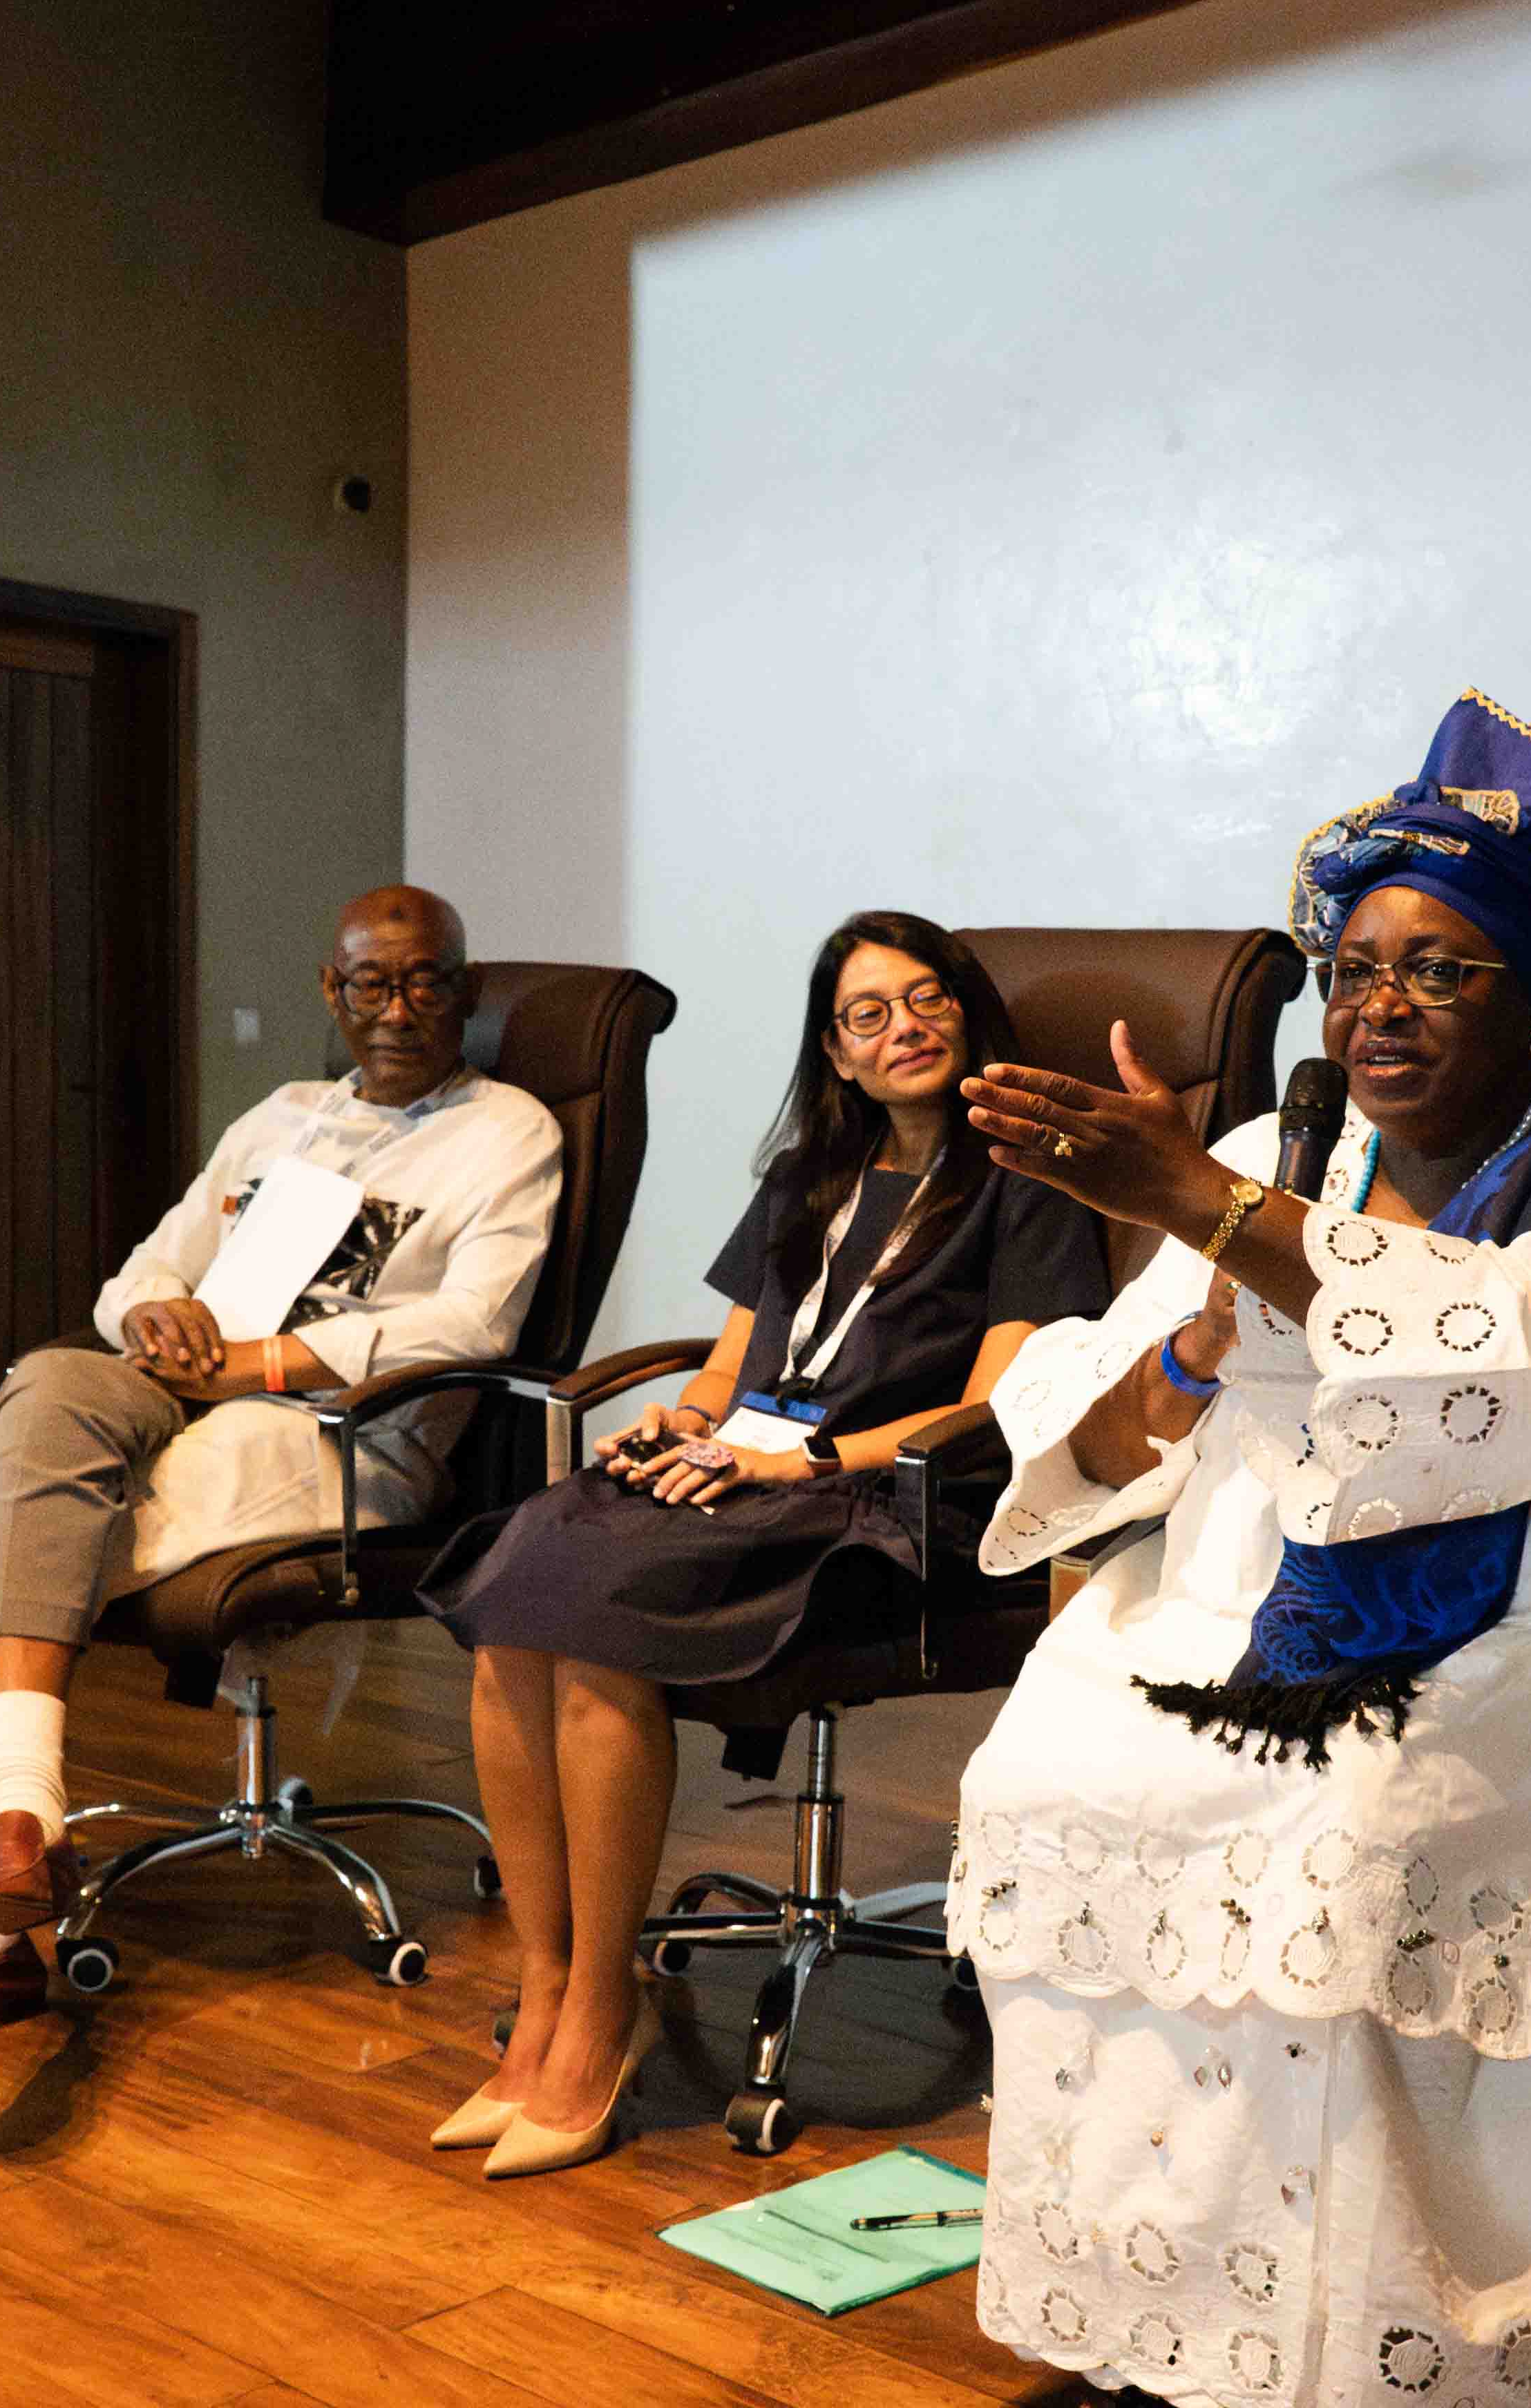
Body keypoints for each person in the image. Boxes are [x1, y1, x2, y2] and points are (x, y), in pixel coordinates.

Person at [944, 694, 1531, 2408]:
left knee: (1335, 1850)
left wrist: (1212, 1211)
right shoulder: (1276, 1147)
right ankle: (1167, 2319)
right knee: (1061, 1770)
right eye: (1360, 968)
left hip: (1525, 1632)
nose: (1385, 1005)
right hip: (1234, 1607)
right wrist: (1187, 1308)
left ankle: (1290, 2401)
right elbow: (1103, 1411)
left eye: (1445, 971)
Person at [0, 885, 565, 2074]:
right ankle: (20, 1824)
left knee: (7, 1526)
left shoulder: (509, 1131)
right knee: (49, 1384)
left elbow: (475, 1322)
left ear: (463, 989)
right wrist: (154, 1317)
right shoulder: (280, 1118)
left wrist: (257, 1359)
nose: (397, 1009)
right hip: (186, 1380)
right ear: (330, 993)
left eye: (426, 982)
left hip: (341, 1426)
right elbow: (152, 1262)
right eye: (370, 984)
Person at [416, 915, 1110, 2177]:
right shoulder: (807, 1177)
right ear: (837, 1055)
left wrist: (790, 1460)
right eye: (866, 1015)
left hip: (888, 1505)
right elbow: (734, 1364)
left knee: (592, 1624)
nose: (903, 1027)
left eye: (925, 1000)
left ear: (965, 1018)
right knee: (516, 1593)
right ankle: (560, 1982)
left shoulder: (1028, 1181)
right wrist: (680, 1424)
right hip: (745, 1473)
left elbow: (997, 1406)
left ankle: (600, 2026)